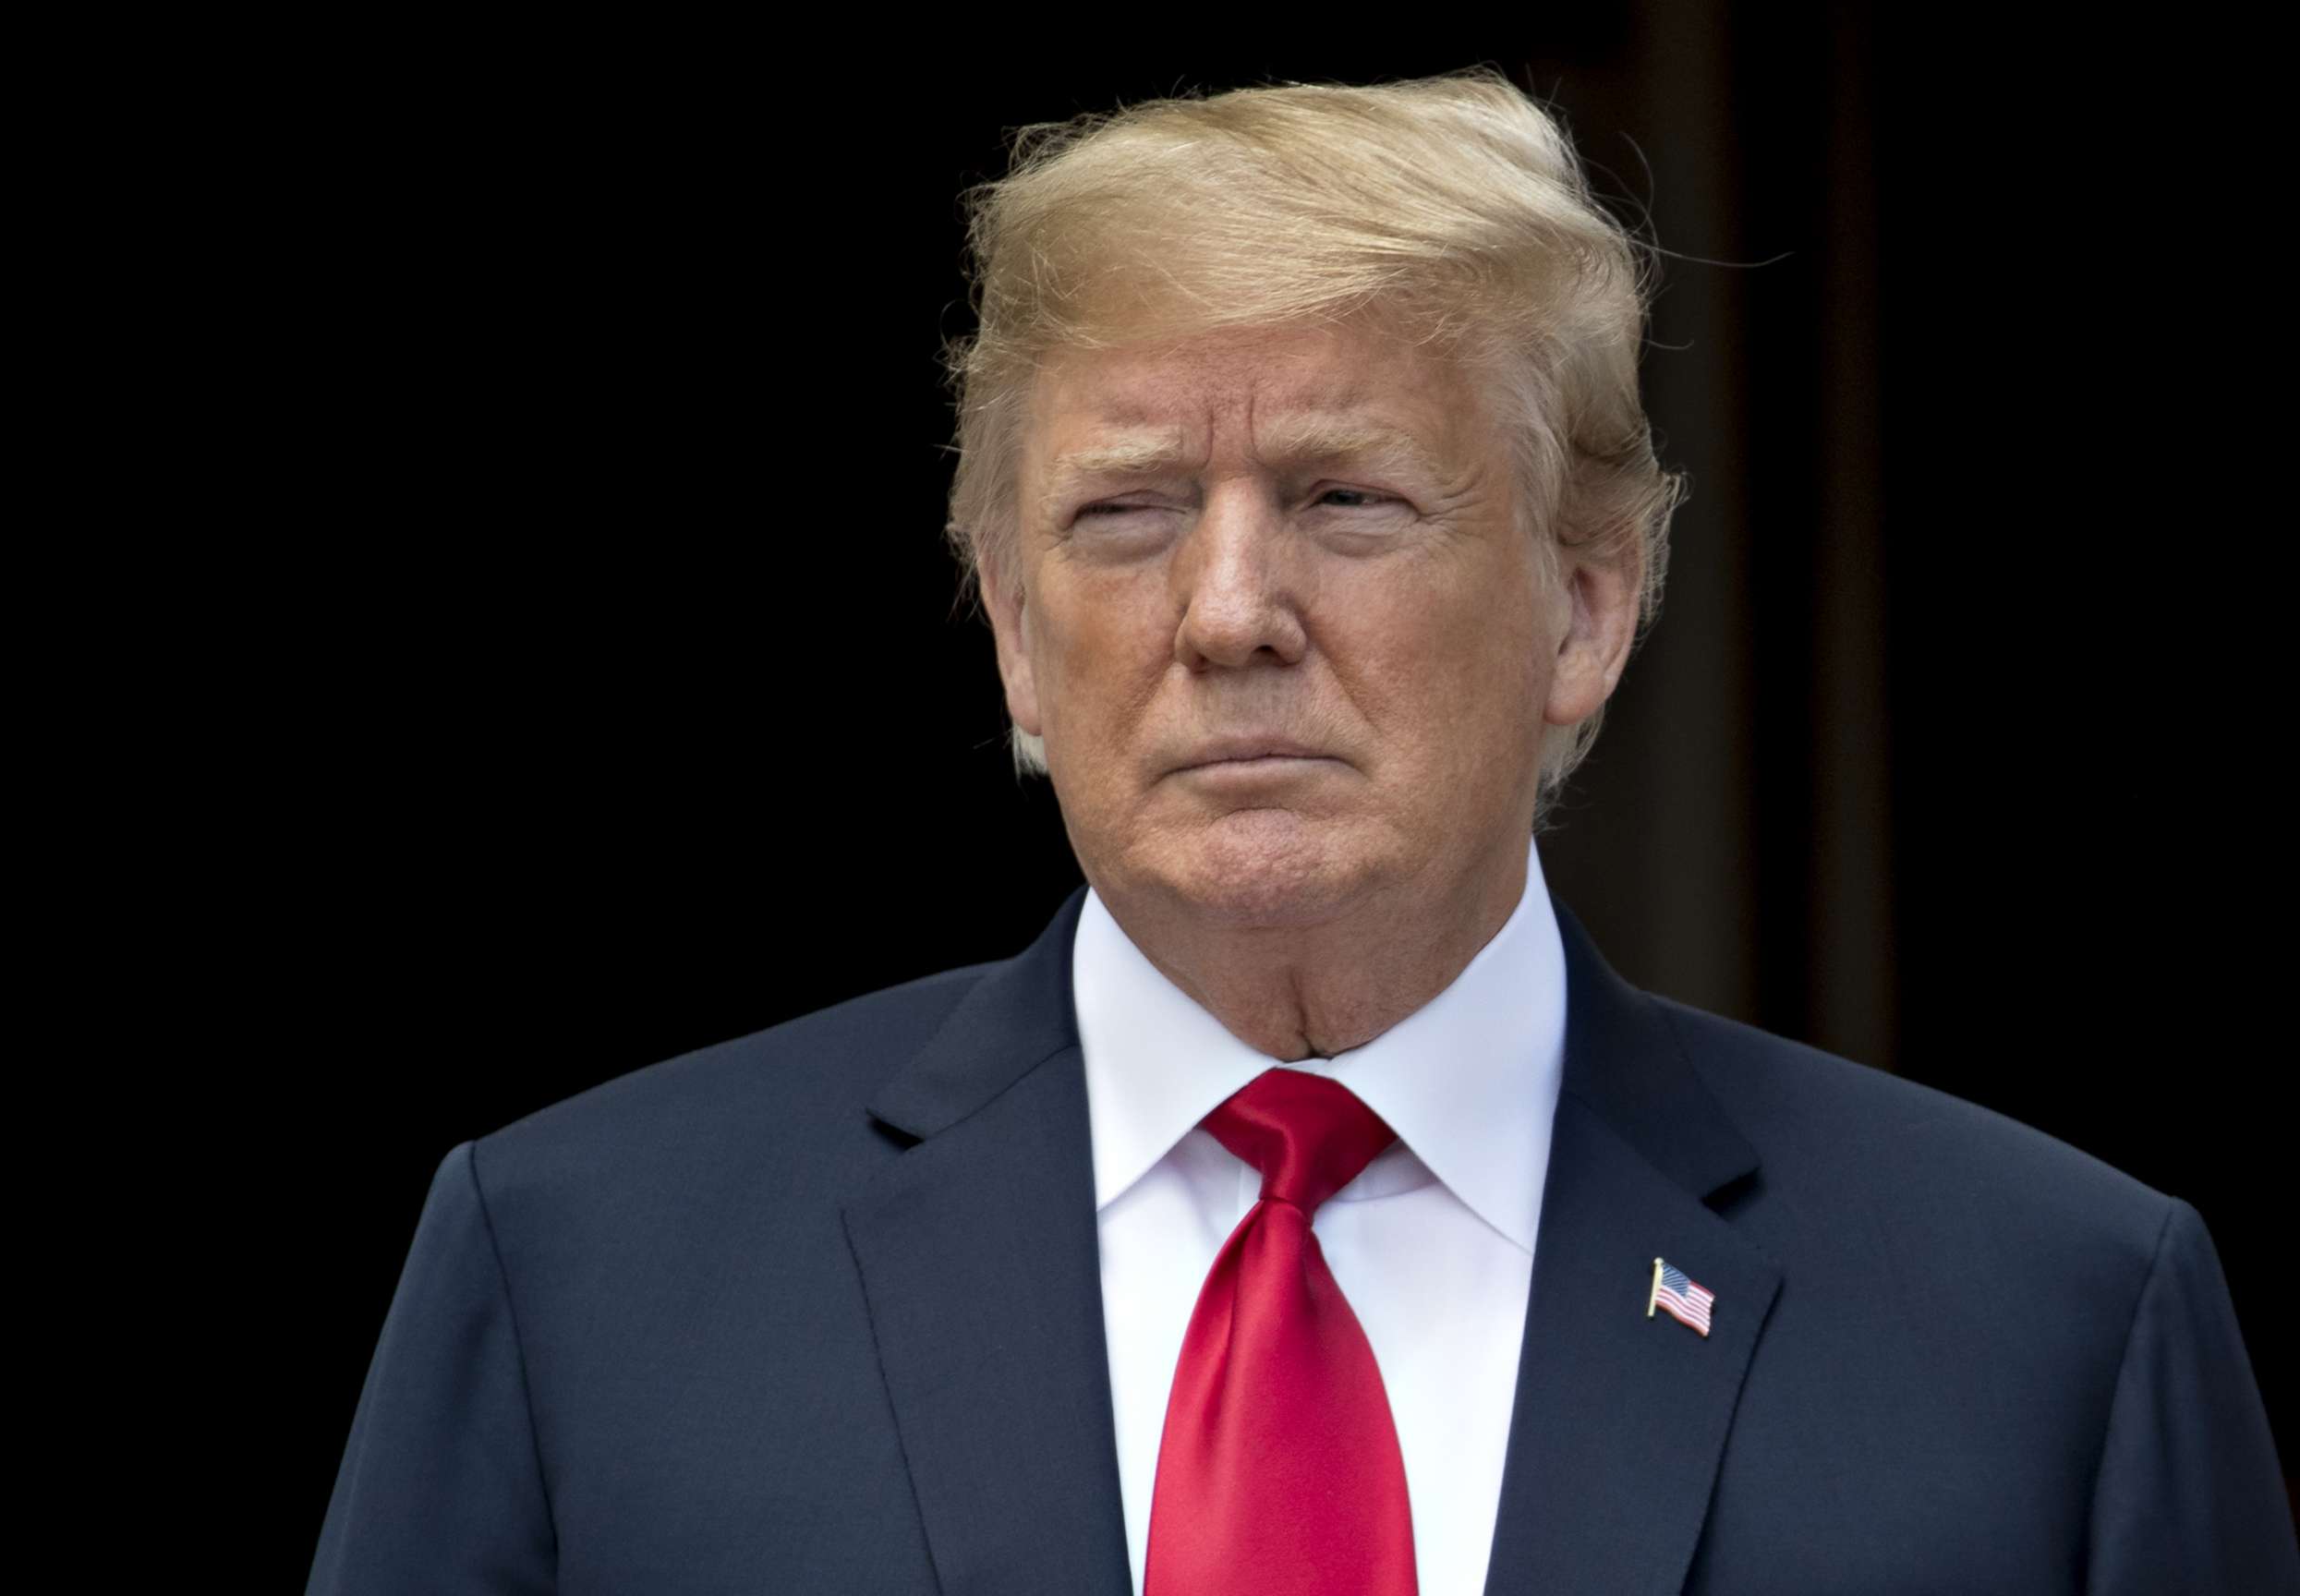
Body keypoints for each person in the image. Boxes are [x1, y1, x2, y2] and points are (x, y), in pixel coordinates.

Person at [306, 67, 2296, 1594]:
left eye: (1349, 500)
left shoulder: (2050, 1331)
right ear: (1010, 626)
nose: (1231, 611)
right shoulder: (579, 1281)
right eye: (1126, 512)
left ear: (1586, 604)